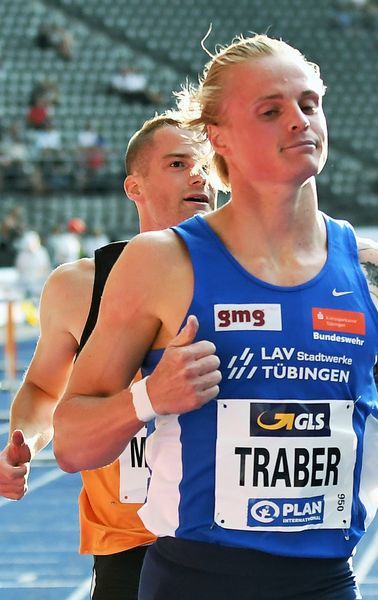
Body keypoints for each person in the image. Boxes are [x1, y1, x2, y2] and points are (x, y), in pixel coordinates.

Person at [53, 34, 378, 600]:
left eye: (309, 104)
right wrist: (149, 397)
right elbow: (70, 441)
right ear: (218, 136)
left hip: (326, 582)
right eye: (270, 110)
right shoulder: (162, 263)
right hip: (194, 581)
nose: (298, 121)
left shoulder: (376, 270)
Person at [0, 114, 217, 599]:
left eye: (206, 164)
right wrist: (25, 443)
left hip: (225, 536)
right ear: (134, 187)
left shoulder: (250, 280)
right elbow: (40, 390)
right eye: (179, 163)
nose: (199, 175)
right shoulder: (79, 285)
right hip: (128, 541)